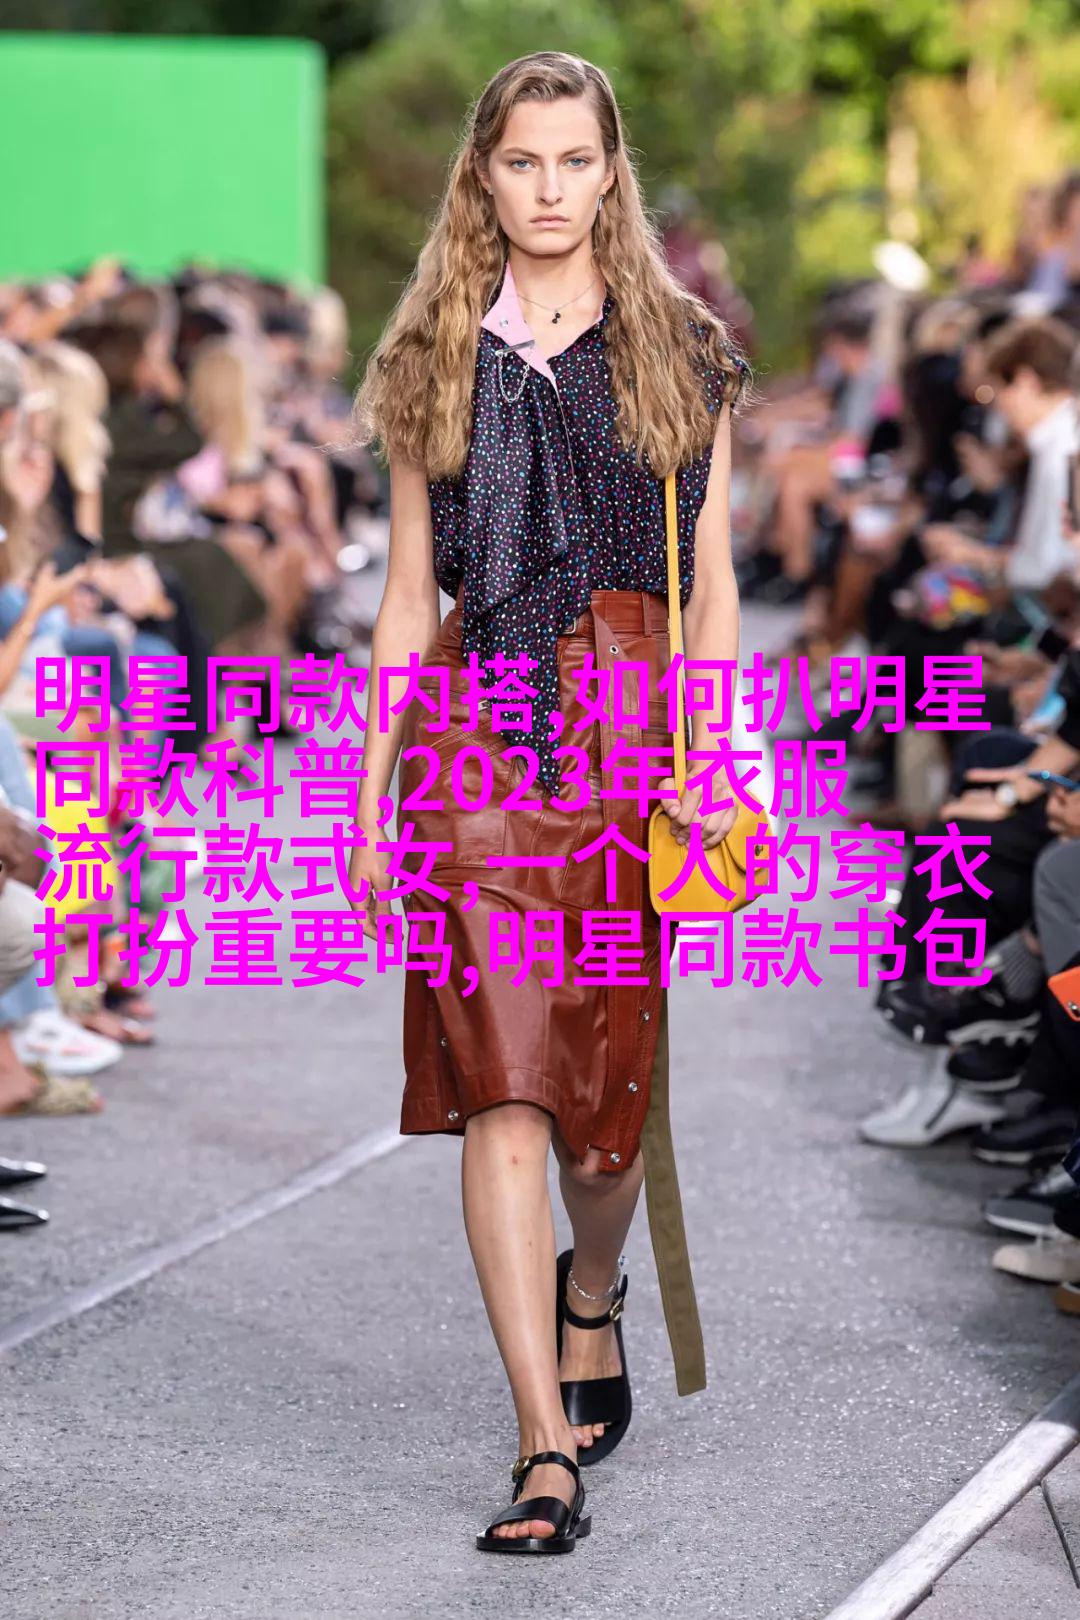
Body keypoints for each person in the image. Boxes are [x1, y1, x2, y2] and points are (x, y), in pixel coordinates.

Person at [349, 51, 748, 1554]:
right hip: (473, 746)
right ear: (483, 174)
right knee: (504, 1086)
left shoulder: (684, 351)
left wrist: (715, 758)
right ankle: (538, 1448)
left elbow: (713, 591)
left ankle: (596, 1288)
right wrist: (368, 797)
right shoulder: (427, 356)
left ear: (612, 171)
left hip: (631, 733)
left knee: (598, 1127)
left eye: (576, 160)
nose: (549, 189)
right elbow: (408, 598)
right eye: (522, 161)